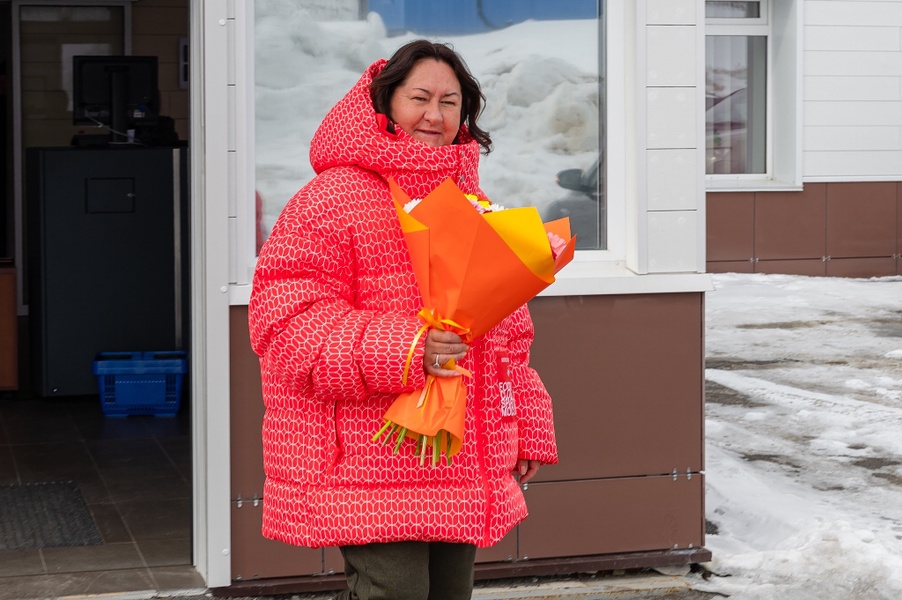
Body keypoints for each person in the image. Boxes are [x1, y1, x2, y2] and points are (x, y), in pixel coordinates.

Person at [248, 39, 558, 600]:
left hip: (458, 455)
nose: (435, 116)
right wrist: (410, 348)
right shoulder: (332, 199)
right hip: (370, 462)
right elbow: (285, 326)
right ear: (386, 102)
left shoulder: (473, 202)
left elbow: (508, 337)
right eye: (419, 97)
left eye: (450, 101)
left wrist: (527, 424)